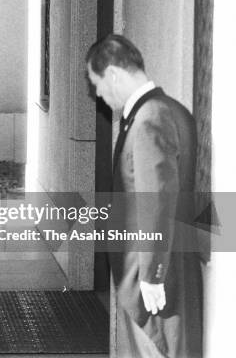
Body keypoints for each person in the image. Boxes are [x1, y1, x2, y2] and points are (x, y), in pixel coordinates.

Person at [86, 34, 202, 357]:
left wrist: (152, 276)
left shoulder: (150, 117)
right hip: (167, 273)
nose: (97, 93)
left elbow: (158, 199)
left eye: (96, 83)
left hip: (153, 285)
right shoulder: (173, 110)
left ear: (113, 74)